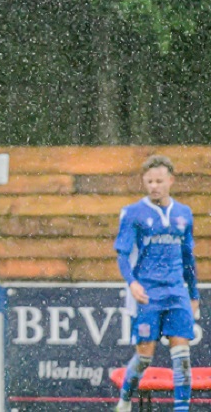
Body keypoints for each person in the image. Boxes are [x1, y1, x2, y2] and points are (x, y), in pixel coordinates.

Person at [114, 155, 199, 412]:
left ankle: (181, 409)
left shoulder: (184, 214)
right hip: (148, 293)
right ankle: (125, 400)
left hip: (176, 292)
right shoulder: (133, 213)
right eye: (149, 181)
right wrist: (132, 283)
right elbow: (122, 254)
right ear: (144, 182)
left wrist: (193, 293)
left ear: (170, 181)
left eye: (159, 181)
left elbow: (188, 257)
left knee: (182, 358)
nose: (154, 186)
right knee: (145, 357)